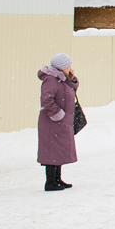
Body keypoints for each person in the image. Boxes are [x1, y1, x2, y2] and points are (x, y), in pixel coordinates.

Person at [38, 52, 79, 190]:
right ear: (62, 67)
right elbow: (46, 99)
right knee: (51, 151)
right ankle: (50, 182)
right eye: (68, 66)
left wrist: (71, 78)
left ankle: (57, 179)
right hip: (52, 122)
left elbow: (71, 89)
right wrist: (57, 114)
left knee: (58, 150)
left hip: (60, 122)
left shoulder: (61, 78)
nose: (70, 68)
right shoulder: (51, 79)